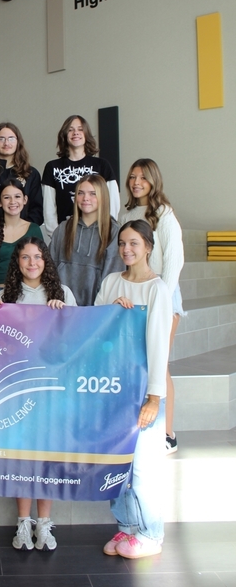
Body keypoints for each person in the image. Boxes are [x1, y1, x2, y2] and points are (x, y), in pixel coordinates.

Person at [0, 237, 76, 552]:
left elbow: (76, 338)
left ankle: (45, 525)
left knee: (47, 459)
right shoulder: (6, 295)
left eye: (37, 257)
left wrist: (63, 314)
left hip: (51, 389)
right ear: (17, 262)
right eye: (25, 257)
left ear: (46, 260)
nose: (31, 263)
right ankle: (23, 525)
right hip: (17, 388)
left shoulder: (62, 294)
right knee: (23, 460)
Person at [95, 219, 172, 559]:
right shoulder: (111, 282)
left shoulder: (157, 289)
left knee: (141, 468)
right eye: (122, 244)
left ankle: (151, 534)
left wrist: (154, 397)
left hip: (143, 390)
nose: (126, 249)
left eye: (134, 244)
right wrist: (111, 313)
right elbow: (93, 329)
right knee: (116, 465)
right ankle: (127, 528)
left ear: (149, 247)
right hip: (113, 388)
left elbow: (158, 344)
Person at [120, 159, 184, 454]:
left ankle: (168, 434)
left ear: (153, 180)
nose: (136, 182)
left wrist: (163, 299)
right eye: (132, 177)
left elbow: (174, 259)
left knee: (161, 364)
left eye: (143, 178)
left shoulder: (164, 214)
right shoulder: (127, 211)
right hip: (136, 294)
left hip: (163, 296)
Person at [48, 174, 124, 305]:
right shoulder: (63, 229)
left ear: (103, 197)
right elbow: (49, 268)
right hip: (63, 307)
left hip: (96, 309)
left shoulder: (114, 232)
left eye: (92, 194)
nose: (85, 198)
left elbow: (113, 277)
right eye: (81, 193)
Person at [41, 114, 119, 236]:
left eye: (80, 129)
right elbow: (49, 207)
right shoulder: (52, 167)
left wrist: (107, 230)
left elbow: (112, 202)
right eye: (70, 130)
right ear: (64, 135)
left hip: (97, 233)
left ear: (86, 134)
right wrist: (56, 235)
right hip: (65, 234)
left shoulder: (102, 165)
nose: (75, 133)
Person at [0, 178, 44, 301]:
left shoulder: (34, 229)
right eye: (7, 197)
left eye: (17, 196)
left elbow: (42, 266)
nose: (12, 201)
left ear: (25, 200)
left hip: (28, 293)